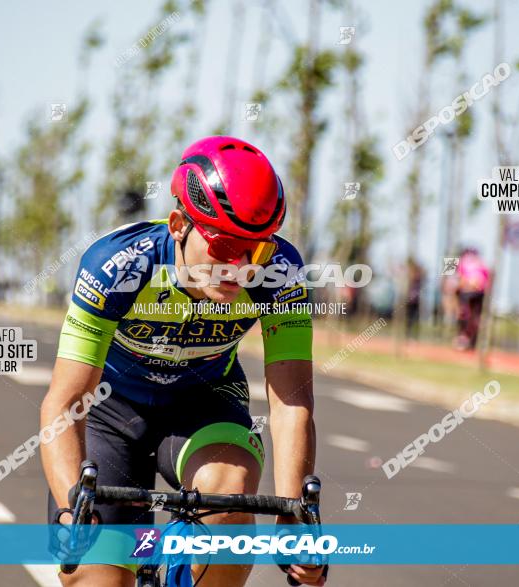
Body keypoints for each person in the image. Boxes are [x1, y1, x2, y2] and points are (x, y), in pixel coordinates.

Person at [41, 136, 325, 587]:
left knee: (229, 498)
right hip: (110, 413)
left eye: (259, 249)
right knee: (97, 577)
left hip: (205, 403)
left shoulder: (281, 274)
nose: (242, 268)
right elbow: (64, 400)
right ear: (178, 225)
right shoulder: (115, 266)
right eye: (226, 248)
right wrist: (71, 509)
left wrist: (294, 519)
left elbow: (291, 401)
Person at [454, 247, 490, 350]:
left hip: (470, 293)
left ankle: (467, 339)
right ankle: (467, 339)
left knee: (467, 316)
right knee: (471, 317)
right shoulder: (481, 263)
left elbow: (458, 279)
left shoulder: (462, 262)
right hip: (472, 292)